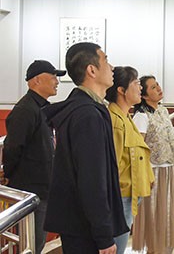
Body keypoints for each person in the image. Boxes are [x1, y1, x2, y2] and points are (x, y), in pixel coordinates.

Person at [43, 42, 128, 254]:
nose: (112, 67)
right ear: (92, 70)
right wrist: (104, 236)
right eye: (106, 60)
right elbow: (92, 180)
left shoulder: (86, 109)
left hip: (80, 224)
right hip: (85, 229)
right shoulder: (88, 115)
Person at [3, 60, 65, 254]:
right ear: (36, 80)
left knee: (38, 241)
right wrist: (9, 175)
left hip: (44, 188)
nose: (57, 82)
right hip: (31, 188)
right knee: (32, 243)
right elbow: (13, 147)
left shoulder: (42, 108)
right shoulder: (26, 110)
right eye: (53, 76)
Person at [131, 75, 174, 253]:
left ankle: (159, 249)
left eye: (158, 85)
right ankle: (152, 250)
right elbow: (138, 148)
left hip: (166, 168)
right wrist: (145, 174)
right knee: (153, 215)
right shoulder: (141, 116)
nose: (159, 89)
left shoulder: (162, 110)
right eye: (153, 87)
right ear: (144, 95)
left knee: (165, 214)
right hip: (152, 171)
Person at [106, 67, 154, 254]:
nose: (140, 88)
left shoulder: (125, 117)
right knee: (117, 247)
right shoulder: (116, 122)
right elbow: (112, 166)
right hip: (120, 197)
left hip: (128, 195)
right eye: (136, 83)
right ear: (121, 90)